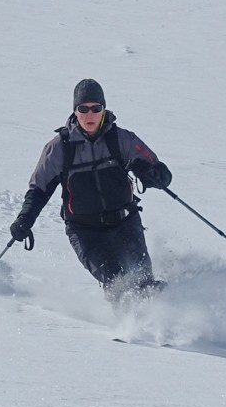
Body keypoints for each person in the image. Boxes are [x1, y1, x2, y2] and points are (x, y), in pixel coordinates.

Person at [10, 79, 173, 297]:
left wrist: (154, 174)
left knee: (143, 280)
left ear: (103, 110)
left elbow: (156, 167)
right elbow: (38, 189)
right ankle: (132, 327)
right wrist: (24, 220)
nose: (90, 115)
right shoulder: (59, 148)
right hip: (85, 231)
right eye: (83, 109)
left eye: (96, 108)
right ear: (75, 111)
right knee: (116, 281)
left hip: (125, 222)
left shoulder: (121, 139)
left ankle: (168, 316)